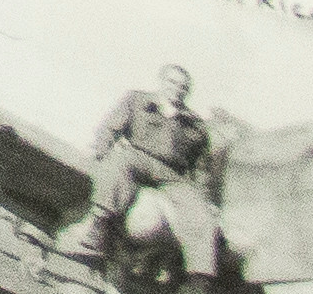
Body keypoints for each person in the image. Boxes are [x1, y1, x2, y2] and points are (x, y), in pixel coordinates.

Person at [51, 64, 223, 274]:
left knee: (199, 211)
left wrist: (204, 197)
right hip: (137, 156)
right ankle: (97, 226)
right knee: (120, 161)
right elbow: (110, 129)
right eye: (172, 82)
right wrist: (99, 153)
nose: (177, 89)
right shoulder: (137, 100)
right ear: (162, 82)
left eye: (183, 87)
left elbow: (202, 169)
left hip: (171, 174)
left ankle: (200, 275)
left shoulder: (194, 124)